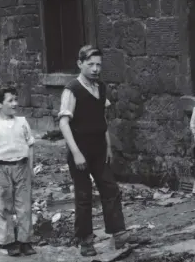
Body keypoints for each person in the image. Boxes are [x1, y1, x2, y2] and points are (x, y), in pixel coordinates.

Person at [59, 45, 148, 257]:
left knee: (110, 189)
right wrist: (76, 152)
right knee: (84, 195)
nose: (95, 69)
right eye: (90, 64)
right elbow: (63, 123)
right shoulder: (72, 89)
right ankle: (86, 240)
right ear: (80, 64)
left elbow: (102, 119)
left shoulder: (101, 87)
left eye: (99, 64)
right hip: (80, 148)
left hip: (99, 147)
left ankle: (119, 234)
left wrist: (107, 146)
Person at [0, 83, 36, 256]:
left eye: (16, 99)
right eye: (10, 100)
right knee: (5, 206)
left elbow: (30, 145)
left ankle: (25, 241)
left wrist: (30, 168)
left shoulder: (22, 122)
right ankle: (9, 241)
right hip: (2, 169)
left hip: (21, 167)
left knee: (24, 206)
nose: (15, 104)